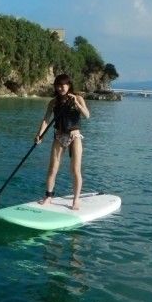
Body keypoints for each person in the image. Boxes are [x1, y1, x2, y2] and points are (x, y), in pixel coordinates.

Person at [34, 73, 90, 210]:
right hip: (59, 136)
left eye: (63, 85)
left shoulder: (78, 98)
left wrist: (76, 103)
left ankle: (76, 200)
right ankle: (48, 197)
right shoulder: (53, 102)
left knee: (75, 169)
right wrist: (39, 135)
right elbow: (46, 119)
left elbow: (87, 115)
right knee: (52, 168)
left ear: (69, 85)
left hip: (74, 136)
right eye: (58, 85)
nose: (60, 88)